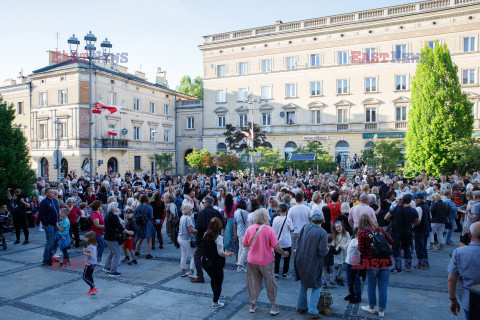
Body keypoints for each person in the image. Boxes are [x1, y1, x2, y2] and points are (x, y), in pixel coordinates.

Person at [243, 208, 289, 316]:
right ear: (265, 217)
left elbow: (245, 244)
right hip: (266, 261)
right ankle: (273, 306)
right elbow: (275, 246)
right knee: (270, 283)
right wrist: (284, 253)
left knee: (253, 283)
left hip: (252, 260)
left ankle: (252, 305)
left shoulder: (250, 228)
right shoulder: (269, 229)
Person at [358, 214, 394, 318]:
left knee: (371, 285)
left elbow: (361, 249)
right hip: (385, 261)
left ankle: (372, 307)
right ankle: (381, 310)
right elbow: (391, 241)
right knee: (383, 286)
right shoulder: (380, 230)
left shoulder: (362, 232)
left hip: (372, 262)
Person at [294, 212, 328, 318]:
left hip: (301, 260)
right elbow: (322, 251)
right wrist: (327, 249)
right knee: (317, 285)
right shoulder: (322, 232)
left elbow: (298, 242)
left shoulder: (306, 226)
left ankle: (300, 307)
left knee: (303, 284)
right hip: (313, 262)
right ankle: (313, 310)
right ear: (322, 220)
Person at [447, 222, 480, 320]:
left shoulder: (459, 252)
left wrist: (453, 299)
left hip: (470, 301)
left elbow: (451, 280)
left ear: (470, 234)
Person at [202, 217, 234, 308]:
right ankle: (215, 302)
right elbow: (220, 253)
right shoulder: (218, 237)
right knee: (218, 282)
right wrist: (228, 254)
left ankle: (215, 298)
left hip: (206, 262)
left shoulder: (205, 234)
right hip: (215, 263)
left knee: (213, 279)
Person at [192, 196, 225, 283]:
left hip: (205, 239)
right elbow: (223, 224)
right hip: (215, 239)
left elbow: (199, 226)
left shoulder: (203, 212)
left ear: (206, 203)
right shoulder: (216, 212)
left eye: (203, 203)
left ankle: (200, 276)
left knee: (197, 256)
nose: (203, 204)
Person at [385, 193, 420, 272]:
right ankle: (408, 266)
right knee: (407, 249)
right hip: (407, 231)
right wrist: (412, 226)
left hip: (396, 231)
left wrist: (392, 221)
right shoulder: (413, 210)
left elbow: (386, 217)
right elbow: (417, 222)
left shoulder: (396, 209)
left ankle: (397, 266)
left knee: (395, 249)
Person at [272, 203, 294, 278]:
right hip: (286, 241)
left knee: (277, 257)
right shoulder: (288, 220)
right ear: (287, 210)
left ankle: (276, 272)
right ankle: (285, 273)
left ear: (279, 210)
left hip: (277, 241)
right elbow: (292, 229)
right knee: (286, 258)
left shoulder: (275, 219)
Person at [39, 188, 60, 266]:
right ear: (46, 193)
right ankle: (46, 258)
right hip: (49, 225)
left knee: (54, 241)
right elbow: (41, 215)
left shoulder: (54, 200)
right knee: (50, 241)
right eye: (51, 192)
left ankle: (50, 256)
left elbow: (57, 211)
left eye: (53, 192)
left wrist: (58, 220)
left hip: (55, 224)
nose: (53, 193)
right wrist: (46, 224)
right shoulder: (44, 202)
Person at [288, 192, 311, 257]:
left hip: (295, 231)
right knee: (305, 250)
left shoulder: (291, 209)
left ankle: (296, 265)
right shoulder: (307, 208)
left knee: (296, 250)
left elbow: (288, 220)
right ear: (303, 199)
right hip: (305, 231)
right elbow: (311, 219)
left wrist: (291, 229)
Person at [178, 203, 197, 277]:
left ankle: (183, 271)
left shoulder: (182, 217)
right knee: (194, 255)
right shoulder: (188, 218)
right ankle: (191, 272)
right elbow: (191, 230)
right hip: (186, 239)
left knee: (184, 254)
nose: (192, 210)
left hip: (180, 238)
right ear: (188, 210)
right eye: (191, 209)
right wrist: (197, 230)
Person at [413, 193, 431, 269]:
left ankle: (421, 263)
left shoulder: (419, 208)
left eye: (415, 199)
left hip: (420, 230)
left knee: (419, 247)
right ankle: (425, 262)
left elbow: (418, 221)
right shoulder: (427, 207)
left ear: (418, 200)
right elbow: (430, 217)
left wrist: (413, 227)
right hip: (426, 228)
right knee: (424, 246)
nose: (414, 201)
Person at [344, 228, 362, 303]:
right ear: (356, 235)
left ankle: (357, 295)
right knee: (350, 279)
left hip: (353, 262)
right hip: (350, 262)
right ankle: (352, 293)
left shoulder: (356, 241)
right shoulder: (355, 241)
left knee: (355, 279)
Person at [332, 221, 351, 285]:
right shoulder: (334, 235)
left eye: (339, 226)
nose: (338, 228)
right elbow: (333, 244)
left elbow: (349, 242)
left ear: (342, 226)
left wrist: (344, 247)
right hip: (338, 252)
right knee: (338, 265)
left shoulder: (347, 234)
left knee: (342, 265)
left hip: (344, 252)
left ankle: (339, 277)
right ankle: (337, 277)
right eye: (337, 227)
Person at [234, 200, 249, 272]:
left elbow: (235, 222)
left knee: (241, 249)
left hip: (239, 231)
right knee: (245, 249)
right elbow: (247, 222)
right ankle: (240, 266)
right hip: (244, 231)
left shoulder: (236, 211)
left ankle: (240, 264)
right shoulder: (244, 212)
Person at [90, 200, 106, 266]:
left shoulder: (99, 214)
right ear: (98, 207)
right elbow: (97, 225)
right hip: (96, 233)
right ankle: (98, 261)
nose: (102, 207)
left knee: (98, 247)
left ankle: (95, 259)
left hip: (99, 233)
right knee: (101, 246)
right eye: (101, 206)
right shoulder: (95, 214)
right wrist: (106, 226)